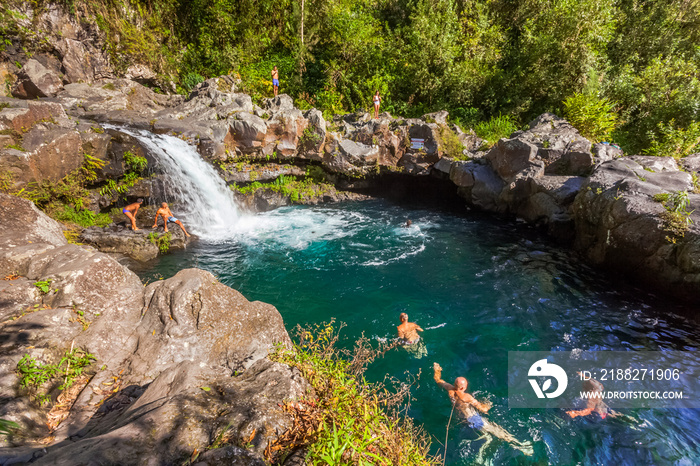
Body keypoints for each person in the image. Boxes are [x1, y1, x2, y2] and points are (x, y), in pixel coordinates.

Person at [433, 363, 533, 457]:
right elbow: (483, 409)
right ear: (463, 387)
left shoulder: (449, 389)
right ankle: (520, 446)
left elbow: (438, 380)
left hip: (460, 418)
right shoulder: (467, 397)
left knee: (486, 435)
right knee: (497, 431)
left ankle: (487, 440)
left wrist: (437, 369)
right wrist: (488, 404)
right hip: (472, 418)